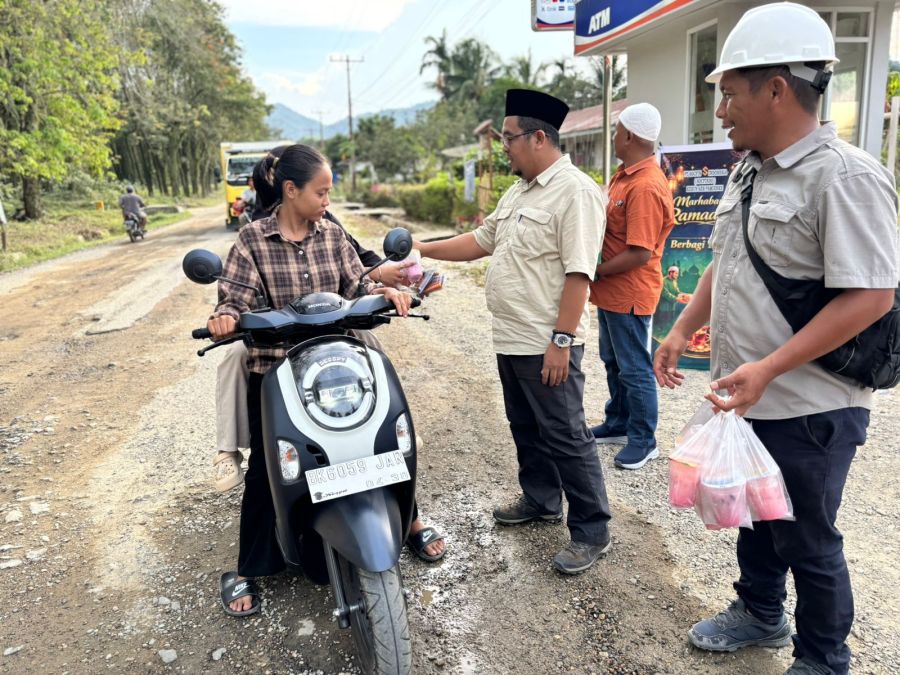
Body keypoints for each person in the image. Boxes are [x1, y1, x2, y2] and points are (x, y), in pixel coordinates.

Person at [652, 5, 898, 674]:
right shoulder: (749, 170)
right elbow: (728, 260)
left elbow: (871, 294)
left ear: (777, 89)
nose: (722, 109)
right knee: (756, 513)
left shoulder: (845, 177)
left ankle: (822, 657)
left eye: (729, 92)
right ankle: (760, 611)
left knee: (808, 538)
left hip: (812, 403)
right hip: (752, 396)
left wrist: (770, 367)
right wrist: (680, 329)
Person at [207, 144, 422, 615]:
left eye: (329, 192)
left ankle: (409, 521)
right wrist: (226, 316)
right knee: (268, 470)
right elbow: (234, 297)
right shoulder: (251, 241)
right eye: (321, 192)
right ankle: (248, 567)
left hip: (338, 362)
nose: (328, 201)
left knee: (389, 436)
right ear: (290, 190)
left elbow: (358, 283)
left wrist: (385, 290)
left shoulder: (332, 235)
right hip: (279, 370)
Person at [415, 89, 613, 574]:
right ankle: (542, 500)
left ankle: (592, 530)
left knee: (566, 435)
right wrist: (422, 248)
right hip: (510, 337)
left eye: (508, 137)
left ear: (539, 137)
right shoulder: (519, 190)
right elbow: (481, 241)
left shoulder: (577, 192)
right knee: (526, 427)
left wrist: (561, 341)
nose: (503, 146)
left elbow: (579, 275)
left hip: (547, 342)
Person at [588, 103, 675, 470]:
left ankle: (644, 439)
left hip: (629, 291)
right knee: (613, 361)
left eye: (616, 130)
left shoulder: (646, 186)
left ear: (629, 136)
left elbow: (639, 253)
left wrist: (598, 270)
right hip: (611, 292)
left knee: (634, 367)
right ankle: (619, 422)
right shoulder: (624, 176)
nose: (613, 137)